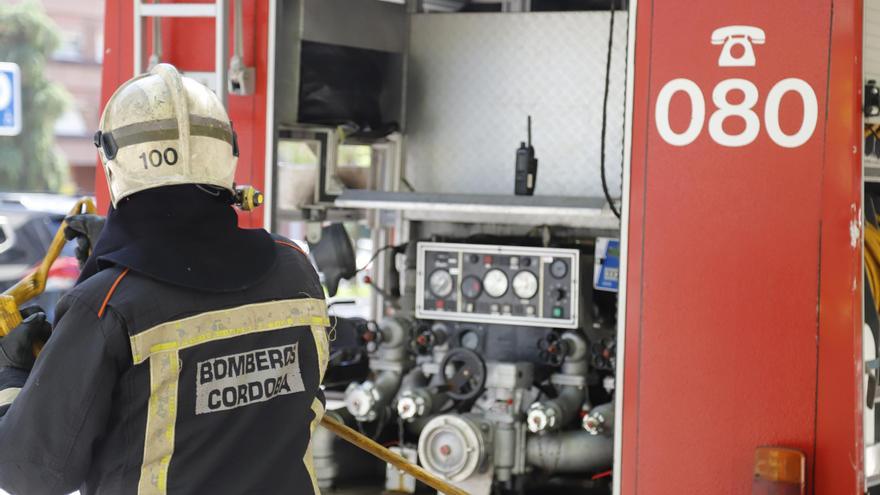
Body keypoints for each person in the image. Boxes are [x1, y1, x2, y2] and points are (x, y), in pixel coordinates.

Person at [0, 64, 329, 495]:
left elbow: (32, 474)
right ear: (225, 157)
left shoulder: (105, 306)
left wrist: (13, 379)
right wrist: (111, 260)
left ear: (115, 164)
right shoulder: (294, 269)